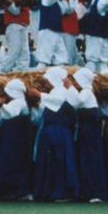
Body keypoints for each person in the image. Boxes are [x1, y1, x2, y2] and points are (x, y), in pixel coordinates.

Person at [32, 66, 79, 201]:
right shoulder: (54, 92)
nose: (45, 81)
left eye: (48, 78)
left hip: (58, 133)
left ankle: (61, 192)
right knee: (53, 162)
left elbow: (57, 103)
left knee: (59, 161)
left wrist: (40, 95)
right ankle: (50, 191)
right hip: (53, 133)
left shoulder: (61, 92)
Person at [0, 79, 33, 200]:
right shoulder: (13, 102)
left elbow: (10, 113)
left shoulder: (19, 102)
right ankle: (5, 190)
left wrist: (1, 105)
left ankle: (19, 191)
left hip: (16, 136)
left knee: (14, 161)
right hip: (9, 135)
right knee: (6, 161)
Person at [70, 68, 108, 203]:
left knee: (90, 159)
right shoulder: (85, 92)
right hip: (85, 131)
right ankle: (86, 191)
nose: (74, 83)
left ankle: (95, 192)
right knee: (85, 159)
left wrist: (69, 88)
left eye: (76, 80)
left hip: (89, 132)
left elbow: (76, 102)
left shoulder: (86, 92)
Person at [35, 0, 72, 67]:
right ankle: (39, 77)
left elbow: (65, 10)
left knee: (61, 57)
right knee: (43, 58)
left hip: (56, 31)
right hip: (47, 31)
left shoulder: (55, 0)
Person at [1, 0, 32, 74]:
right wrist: (19, 3)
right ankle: (2, 71)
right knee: (13, 53)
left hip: (23, 26)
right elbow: (15, 11)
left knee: (24, 53)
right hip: (14, 25)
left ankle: (22, 73)